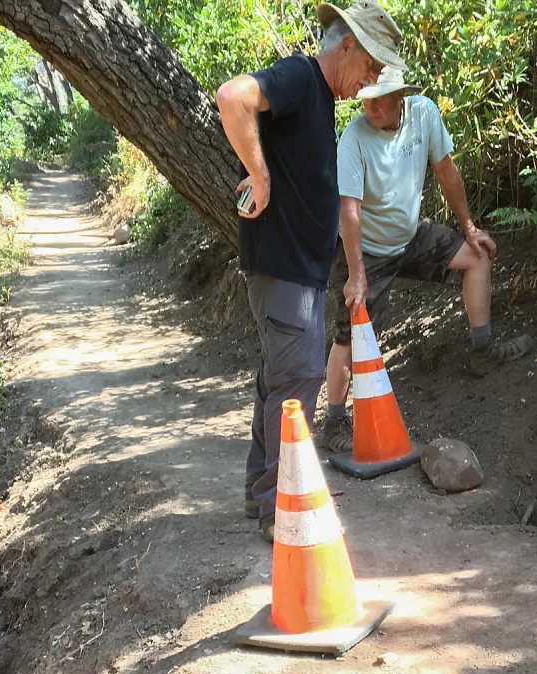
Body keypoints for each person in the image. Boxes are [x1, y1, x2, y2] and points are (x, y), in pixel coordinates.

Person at [216, 1, 404, 538]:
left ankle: (263, 497)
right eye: (369, 66)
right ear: (346, 46)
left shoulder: (318, 98)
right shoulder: (301, 76)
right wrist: (260, 174)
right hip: (285, 268)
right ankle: (283, 511)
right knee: (297, 382)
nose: (370, 81)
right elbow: (233, 98)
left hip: (290, 269)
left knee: (280, 380)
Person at [321, 66, 533, 453]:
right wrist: (355, 274)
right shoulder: (352, 140)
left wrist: (469, 227)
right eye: (366, 95)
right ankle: (333, 420)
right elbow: (347, 211)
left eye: (381, 96)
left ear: (401, 95)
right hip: (366, 250)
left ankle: (482, 351)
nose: (371, 104)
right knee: (351, 333)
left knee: (478, 256)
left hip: (410, 235)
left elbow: (446, 172)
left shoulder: (424, 114)